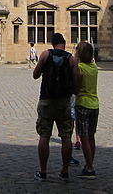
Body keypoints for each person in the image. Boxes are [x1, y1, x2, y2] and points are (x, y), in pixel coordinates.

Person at [32, 32, 80, 182]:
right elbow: (77, 84)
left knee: (44, 135)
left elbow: (35, 74)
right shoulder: (71, 59)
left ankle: (43, 171)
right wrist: (71, 92)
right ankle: (65, 171)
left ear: (52, 43)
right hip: (63, 102)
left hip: (46, 99)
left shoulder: (46, 55)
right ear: (64, 43)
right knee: (66, 136)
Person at [74, 41, 98, 179]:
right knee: (91, 137)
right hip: (95, 104)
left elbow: (76, 87)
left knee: (83, 137)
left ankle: (89, 168)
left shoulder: (80, 68)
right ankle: (90, 164)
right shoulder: (94, 67)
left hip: (83, 104)